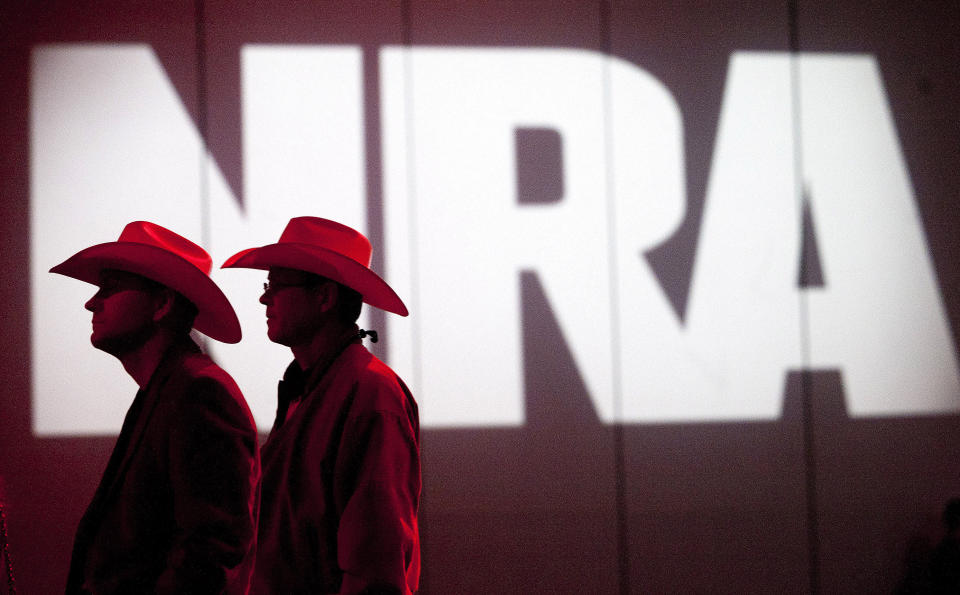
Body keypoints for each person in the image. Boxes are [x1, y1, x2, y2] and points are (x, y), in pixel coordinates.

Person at [51, 221, 260, 595]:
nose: (91, 302)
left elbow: (211, 551)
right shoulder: (170, 388)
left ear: (162, 304)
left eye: (110, 288)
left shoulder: (199, 392)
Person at [223, 216, 420, 595]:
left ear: (325, 297)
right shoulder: (311, 386)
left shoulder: (370, 393)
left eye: (277, 285)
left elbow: (376, 566)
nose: (264, 297)